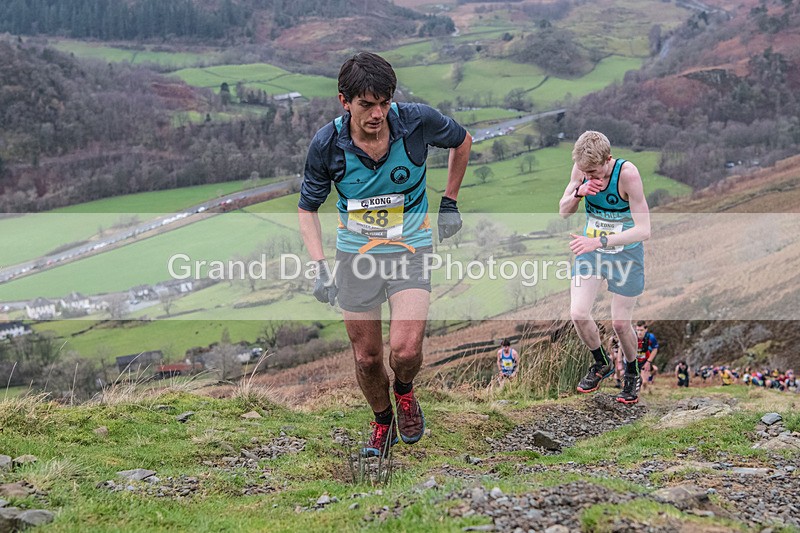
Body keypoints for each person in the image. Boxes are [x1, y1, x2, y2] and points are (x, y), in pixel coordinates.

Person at [298, 52, 472, 457]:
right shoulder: (327, 145)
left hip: (410, 248)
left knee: (405, 350)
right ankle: (382, 420)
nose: (378, 114)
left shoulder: (416, 122)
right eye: (367, 104)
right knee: (367, 357)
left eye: (384, 102)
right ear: (345, 101)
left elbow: (462, 140)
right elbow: (307, 209)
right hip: (356, 257)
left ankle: (405, 392)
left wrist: (449, 202)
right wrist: (320, 267)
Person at [559, 131, 651, 404]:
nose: (589, 176)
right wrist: (579, 193)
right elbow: (563, 211)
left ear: (608, 159)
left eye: (594, 173)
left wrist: (599, 241)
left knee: (620, 324)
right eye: (585, 172)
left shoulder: (627, 174)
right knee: (578, 313)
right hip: (591, 251)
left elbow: (644, 230)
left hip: (626, 254)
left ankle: (632, 372)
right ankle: (601, 363)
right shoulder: (582, 169)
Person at [635, 321, 659, 391]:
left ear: (646, 329)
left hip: (645, 361)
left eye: (641, 330)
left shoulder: (651, 337)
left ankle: (645, 392)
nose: (639, 332)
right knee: (634, 381)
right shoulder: (632, 336)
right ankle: (636, 393)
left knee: (644, 382)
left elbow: (655, 349)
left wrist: (648, 361)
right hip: (634, 360)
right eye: (638, 330)